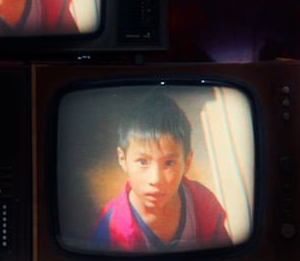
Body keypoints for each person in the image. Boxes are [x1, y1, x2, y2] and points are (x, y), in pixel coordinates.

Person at [91, 94, 231, 252]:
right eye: (143, 161)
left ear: (187, 162)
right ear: (123, 159)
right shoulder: (109, 228)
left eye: (169, 163)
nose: (156, 179)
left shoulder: (203, 202)